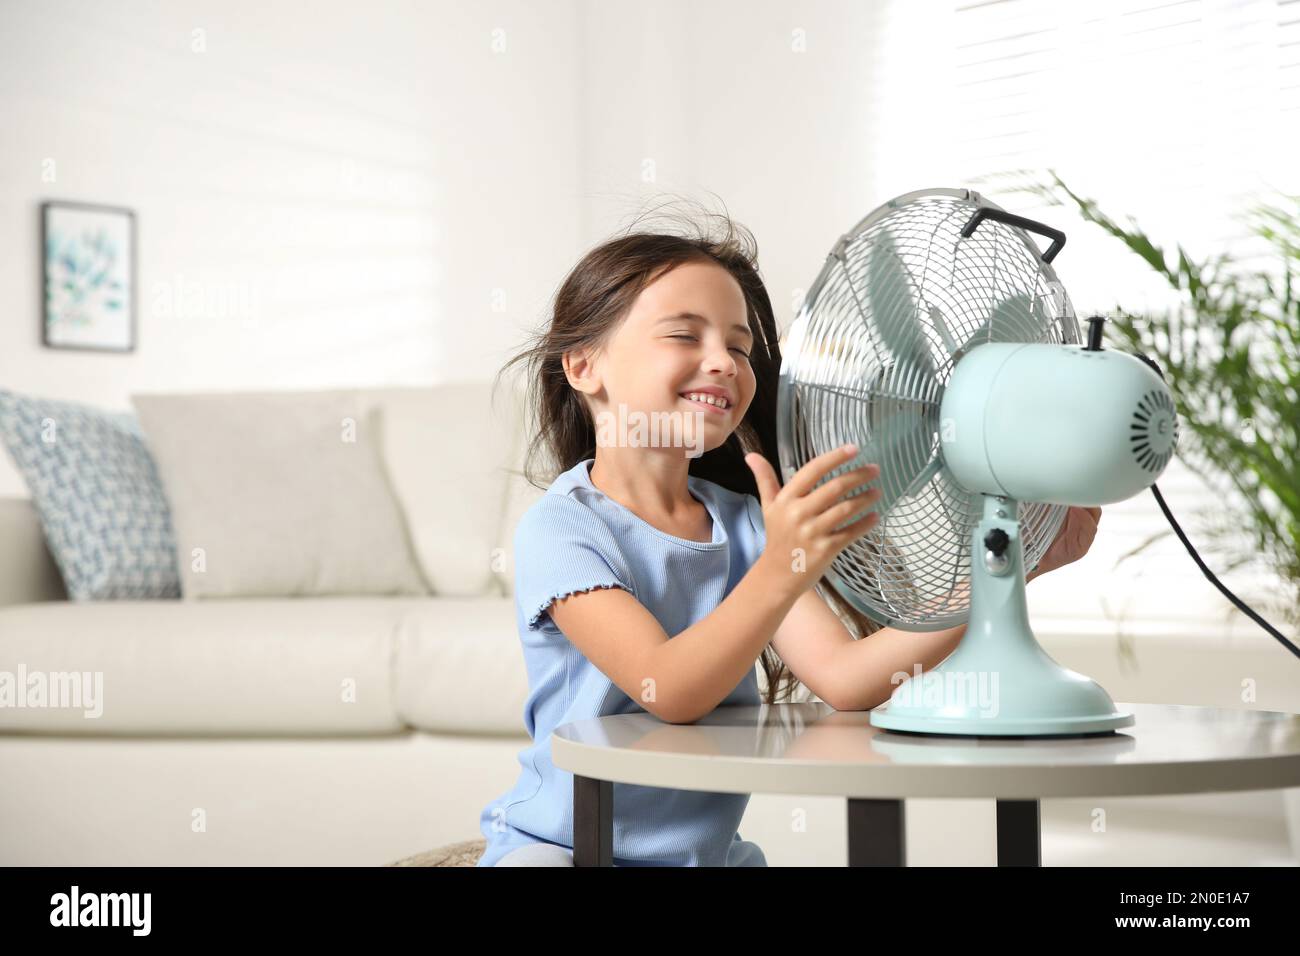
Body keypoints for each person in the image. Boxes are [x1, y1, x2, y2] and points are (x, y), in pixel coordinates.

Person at [476, 202, 1100, 867]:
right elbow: (668, 689)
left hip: (708, 857)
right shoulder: (563, 528)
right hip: (568, 847)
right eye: (686, 336)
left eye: (740, 346)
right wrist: (783, 564)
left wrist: (1015, 566)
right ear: (583, 367)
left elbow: (846, 678)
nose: (723, 362)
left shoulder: (745, 524)